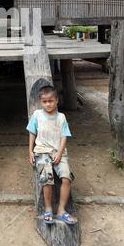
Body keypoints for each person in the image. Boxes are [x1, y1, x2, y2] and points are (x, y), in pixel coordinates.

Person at [27, 85, 76, 225]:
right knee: (47, 179)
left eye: (51, 101)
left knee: (66, 178)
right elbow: (32, 133)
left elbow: (64, 136)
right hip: (41, 152)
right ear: (40, 102)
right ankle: (48, 209)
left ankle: (61, 210)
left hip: (58, 153)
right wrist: (30, 151)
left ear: (56, 100)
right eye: (45, 101)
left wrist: (60, 153)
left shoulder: (61, 117)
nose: (48, 104)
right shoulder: (37, 115)